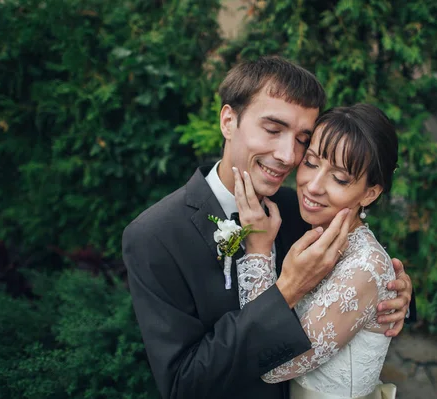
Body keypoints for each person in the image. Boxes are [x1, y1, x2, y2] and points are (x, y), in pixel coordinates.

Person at [121, 56, 414, 399]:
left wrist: (399, 296)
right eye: (273, 130)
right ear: (229, 121)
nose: (289, 155)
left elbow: (356, 280)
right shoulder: (154, 236)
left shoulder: (300, 209)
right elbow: (184, 385)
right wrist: (287, 288)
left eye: (303, 139)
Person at [233, 104, 401, 398]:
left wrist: (258, 251)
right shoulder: (309, 225)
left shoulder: (365, 269)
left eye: (339, 178)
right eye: (310, 163)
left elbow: (269, 365)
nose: (313, 186)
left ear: (370, 193)